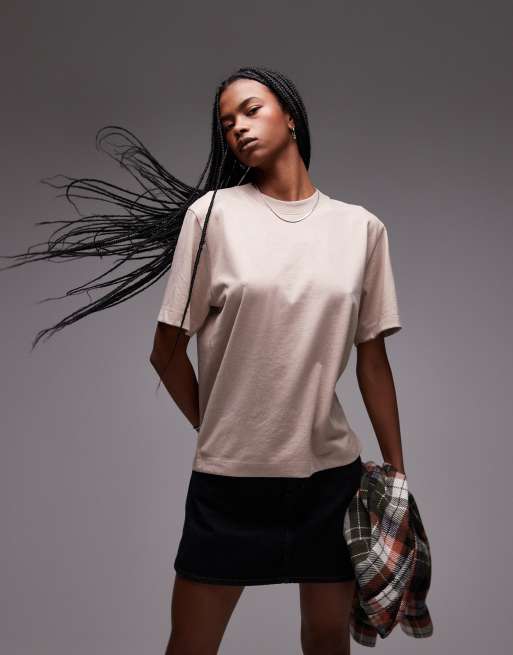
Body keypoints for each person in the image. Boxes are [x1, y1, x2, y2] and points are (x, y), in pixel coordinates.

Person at [0, 66, 406, 655]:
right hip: (230, 484)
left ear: (291, 117)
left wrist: (397, 476)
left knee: (326, 642)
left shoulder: (361, 229)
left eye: (251, 109)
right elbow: (164, 351)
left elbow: (373, 362)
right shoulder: (211, 216)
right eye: (226, 122)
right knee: (191, 644)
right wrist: (217, 427)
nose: (238, 127)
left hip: (330, 484)